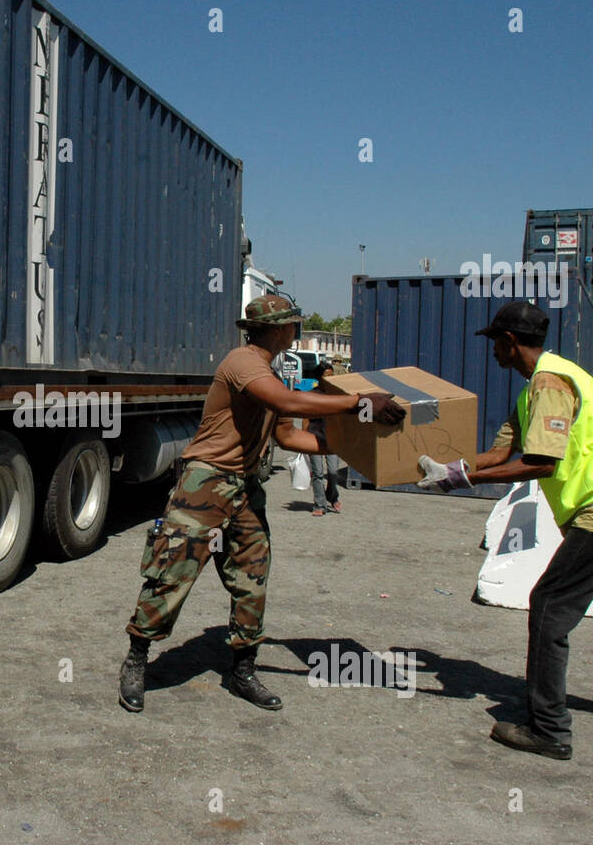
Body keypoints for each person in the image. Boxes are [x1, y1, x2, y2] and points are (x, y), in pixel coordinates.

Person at [417, 300, 593, 759]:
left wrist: (465, 480)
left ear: (510, 342)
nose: (492, 352)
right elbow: (501, 452)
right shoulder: (539, 385)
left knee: (550, 607)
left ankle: (549, 728)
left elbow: (539, 463)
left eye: (495, 342)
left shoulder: (550, 385)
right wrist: (447, 467)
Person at [118, 295, 405, 712]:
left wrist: (358, 451)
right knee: (172, 572)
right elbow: (287, 404)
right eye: (293, 325)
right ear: (277, 329)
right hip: (206, 483)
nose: (296, 330)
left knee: (252, 578)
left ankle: (242, 670)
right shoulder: (242, 363)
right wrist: (360, 403)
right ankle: (137, 661)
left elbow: (289, 437)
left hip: (247, 486)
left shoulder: (271, 374)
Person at [307, 365, 342, 516]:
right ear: (319, 377)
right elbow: (305, 417)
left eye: (331, 375)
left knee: (333, 472)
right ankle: (319, 505)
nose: (330, 378)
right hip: (314, 437)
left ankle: (332, 495)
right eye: (327, 375)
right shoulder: (312, 395)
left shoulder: (336, 394)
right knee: (318, 473)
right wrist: (303, 438)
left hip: (333, 438)